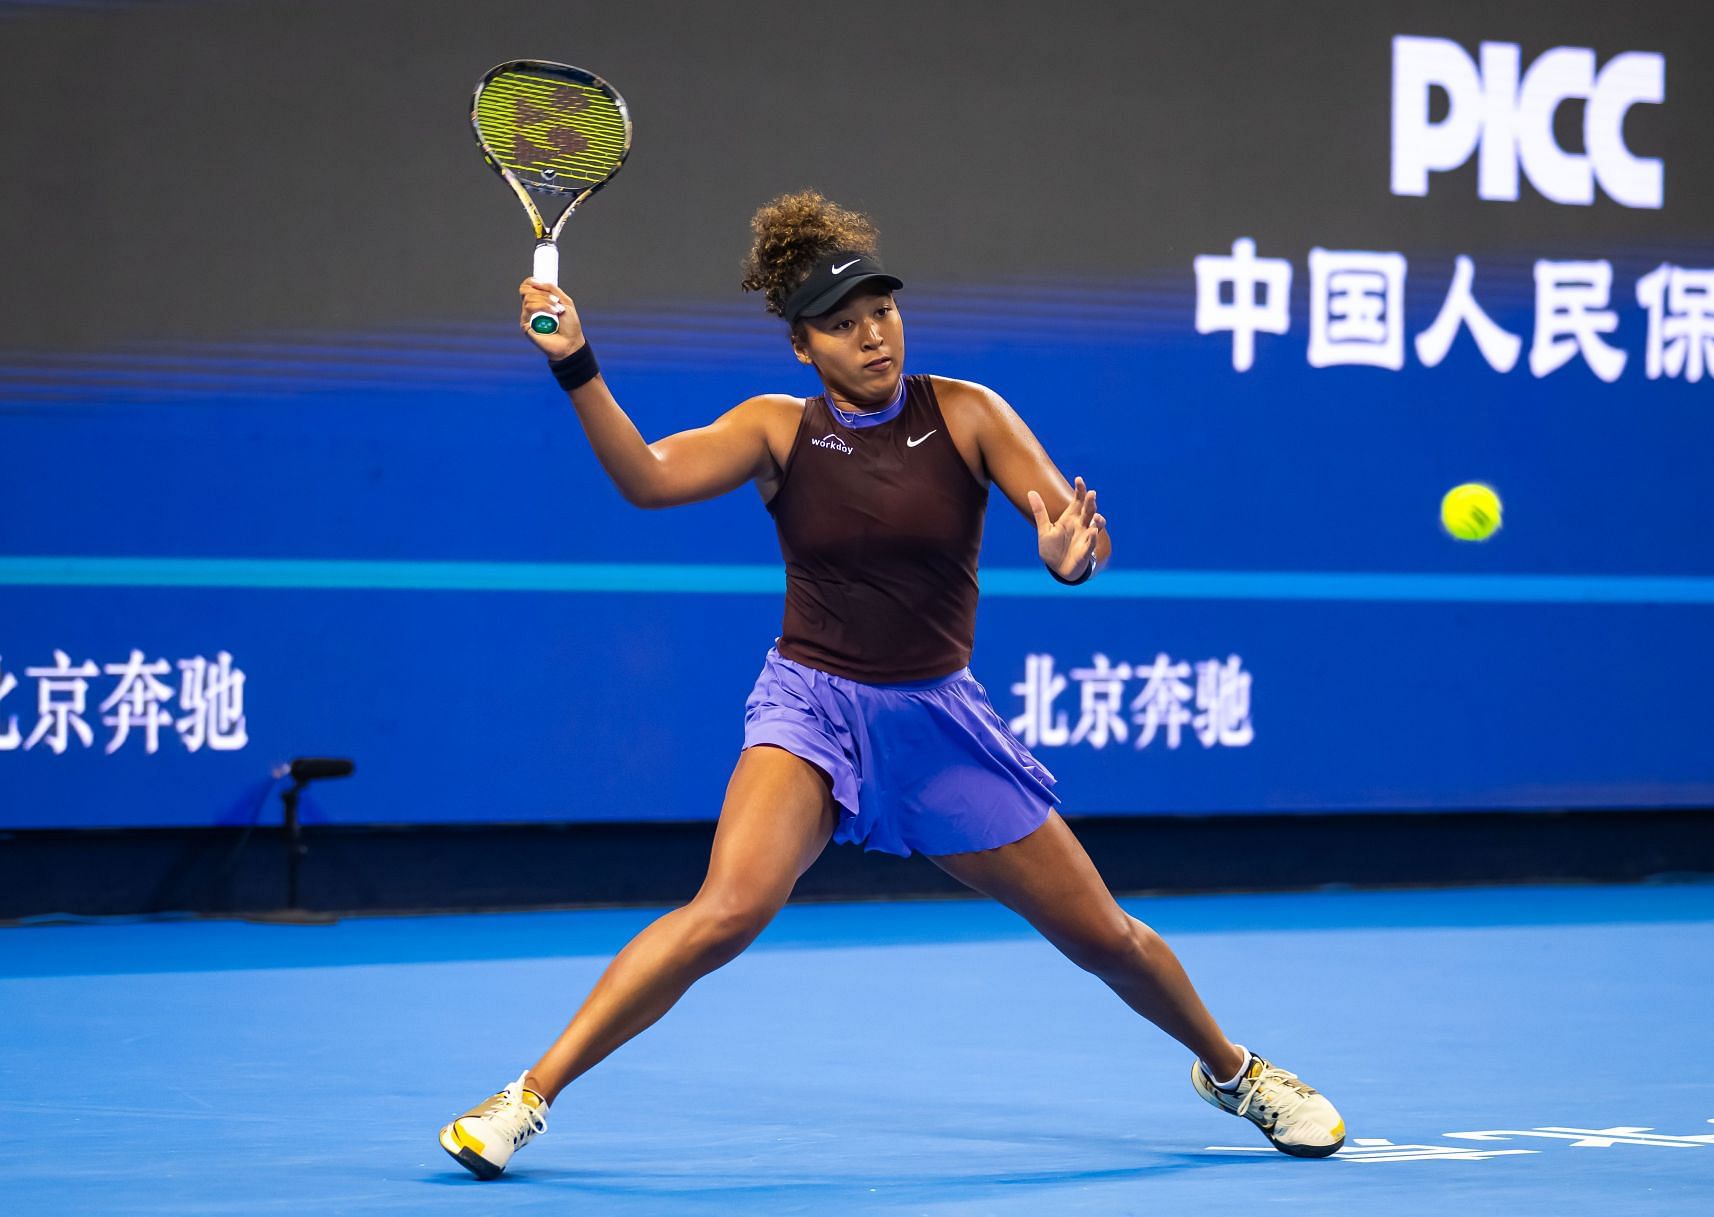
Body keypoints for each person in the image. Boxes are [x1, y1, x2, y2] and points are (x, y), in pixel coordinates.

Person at [437, 192, 1344, 1179]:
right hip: (812, 706)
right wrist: (575, 363)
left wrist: (1071, 555)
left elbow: (1075, 538)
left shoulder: (967, 412)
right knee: (728, 908)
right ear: (801, 346)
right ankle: (526, 1095)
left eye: (883, 312)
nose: (873, 336)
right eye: (843, 324)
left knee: (1104, 934)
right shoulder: (776, 430)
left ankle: (1235, 1070)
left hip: (938, 723)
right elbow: (648, 479)